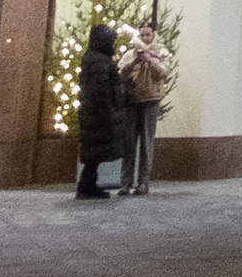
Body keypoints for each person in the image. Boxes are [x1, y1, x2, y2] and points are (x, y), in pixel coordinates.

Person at [115, 16, 175, 196]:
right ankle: (125, 183)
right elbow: (120, 72)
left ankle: (143, 183)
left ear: (153, 35)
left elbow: (165, 72)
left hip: (151, 101)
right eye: (142, 35)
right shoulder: (130, 53)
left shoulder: (161, 52)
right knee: (129, 143)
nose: (145, 38)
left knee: (146, 144)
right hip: (131, 102)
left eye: (148, 35)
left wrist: (150, 60)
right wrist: (135, 61)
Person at [74, 22, 124, 200]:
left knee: (94, 152)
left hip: (93, 113)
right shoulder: (100, 62)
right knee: (94, 153)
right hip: (98, 114)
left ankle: (88, 185)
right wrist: (108, 111)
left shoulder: (93, 58)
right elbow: (101, 91)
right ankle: (86, 187)